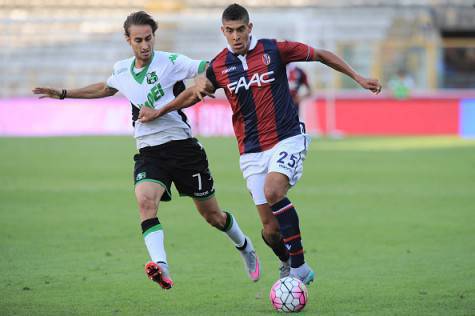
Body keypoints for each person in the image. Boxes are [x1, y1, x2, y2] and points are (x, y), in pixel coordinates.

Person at [138, 4, 382, 285]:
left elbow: (320, 54)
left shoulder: (274, 50)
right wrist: (159, 111)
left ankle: (300, 268)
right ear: (223, 32)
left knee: (274, 190)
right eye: (230, 31)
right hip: (251, 151)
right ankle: (286, 262)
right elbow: (194, 93)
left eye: (241, 30)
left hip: (286, 137)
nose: (236, 36)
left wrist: (359, 78)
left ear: (249, 28)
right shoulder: (218, 66)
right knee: (270, 231)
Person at [32, 10, 260, 290]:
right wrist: (65, 94)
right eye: (138, 39)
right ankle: (161, 266)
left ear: (154, 37)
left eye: (149, 38)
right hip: (150, 151)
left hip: (183, 149)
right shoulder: (121, 70)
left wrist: (203, 79)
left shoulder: (171, 62)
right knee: (145, 201)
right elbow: (105, 88)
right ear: (128, 40)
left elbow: (210, 66)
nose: (145, 45)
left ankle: (244, 245)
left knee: (213, 216)